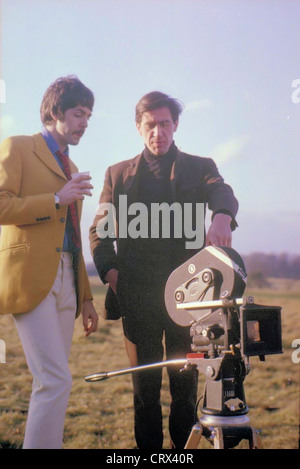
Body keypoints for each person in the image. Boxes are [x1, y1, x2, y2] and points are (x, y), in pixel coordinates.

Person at [89, 91, 238, 449]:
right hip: (136, 296)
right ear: (139, 128)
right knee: (144, 391)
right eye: (151, 124)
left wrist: (221, 216)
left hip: (188, 298)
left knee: (185, 389)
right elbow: (99, 231)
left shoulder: (200, 168)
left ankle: (182, 453)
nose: (159, 131)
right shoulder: (117, 175)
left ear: (175, 125)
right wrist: (111, 274)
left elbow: (223, 192)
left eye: (165, 123)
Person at [0, 76, 99, 449]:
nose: (85, 122)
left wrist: (87, 298)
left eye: (88, 115)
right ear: (56, 111)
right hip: (29, 278)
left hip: (67, 283)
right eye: (78, 113)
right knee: (56, 380)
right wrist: (56, 199)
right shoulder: (17, 147)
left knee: (54, 383)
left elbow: (74, 237)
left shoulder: (72, 169)